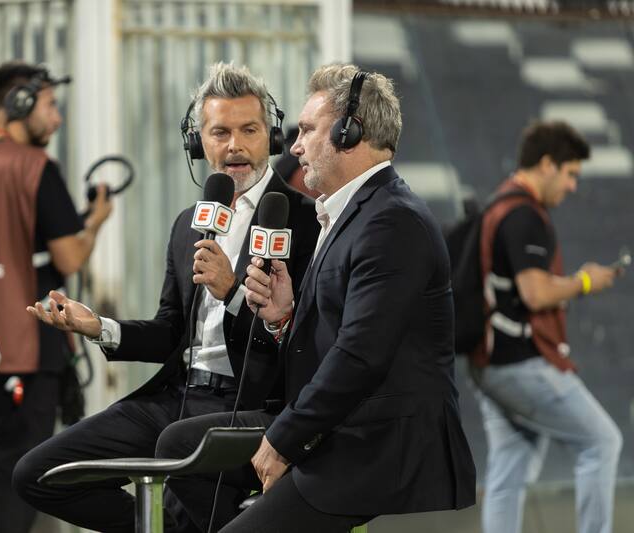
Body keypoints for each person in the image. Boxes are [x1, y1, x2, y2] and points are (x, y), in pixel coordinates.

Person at [154, 63, 477, 533]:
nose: (295, 146)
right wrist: (284, 315)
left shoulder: (392, 221)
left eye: (307, 130)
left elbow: (359, 356)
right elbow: (335, 335)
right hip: (335, 425)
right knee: (180, 445)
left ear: (349, 133)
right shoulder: (351, 213)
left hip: (370, 441)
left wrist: (283, 441)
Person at [13, 62, 319, 533]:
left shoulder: (305, 221)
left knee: (181, 458)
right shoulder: (187, 223)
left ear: (272, 138)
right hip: (178, 394)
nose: (234, 146)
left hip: (250, 402)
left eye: (249, 130)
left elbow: (303, 342)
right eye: (220, 132)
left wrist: (231, 292)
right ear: (198, 143)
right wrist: (98, 327)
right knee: (37, 474)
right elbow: (170, 331)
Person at [0, 61, 113, 533]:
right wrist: (94, 223)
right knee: (15, 479)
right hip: (23, 350)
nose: (57, 119)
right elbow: (69, 256)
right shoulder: (34, 167)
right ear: (21, 102)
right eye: (50, 106)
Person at [467, 121, 623, 533]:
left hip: (489, 362)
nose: (572, 186)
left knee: (510, 469)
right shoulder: (524, 215)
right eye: (570, 173)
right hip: (521, 364)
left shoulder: (499, 203)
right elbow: (534, 293)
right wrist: (585, 282)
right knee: (602, 442)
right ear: (547, 164)